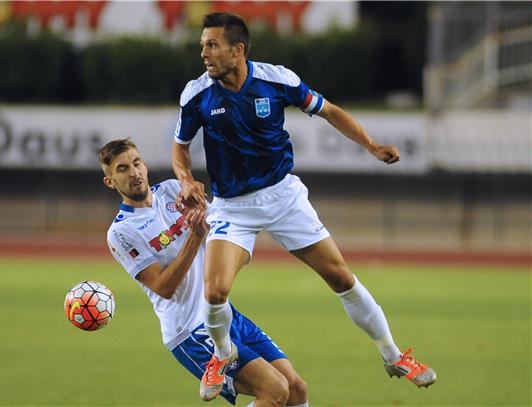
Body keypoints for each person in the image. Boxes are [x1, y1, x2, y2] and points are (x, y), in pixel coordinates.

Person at [172, 12, 437, 401]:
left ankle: (394, 356)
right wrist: (186, 178)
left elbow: (329, 110)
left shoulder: (277, 80)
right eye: (202, 46)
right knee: (215, 292)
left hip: (283, 197)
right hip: (232, 207)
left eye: (212, 45)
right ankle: (223, 353)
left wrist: (372, 145)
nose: (204, 54)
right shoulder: (196, 94)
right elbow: (179, 147)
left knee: (343, 279)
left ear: (238, 49)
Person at [100, 138, 309, 407]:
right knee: (275, 390)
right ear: (110, 182)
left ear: (145, 164)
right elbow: (163, 286)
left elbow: (220, 228)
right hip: (190, 329)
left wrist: (208, 218)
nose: (134, 172)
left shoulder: (172, 190)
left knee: (296, 388)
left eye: (137, 163)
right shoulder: (121, 232)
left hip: (222, 314)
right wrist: (195, 237)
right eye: (122, 169)